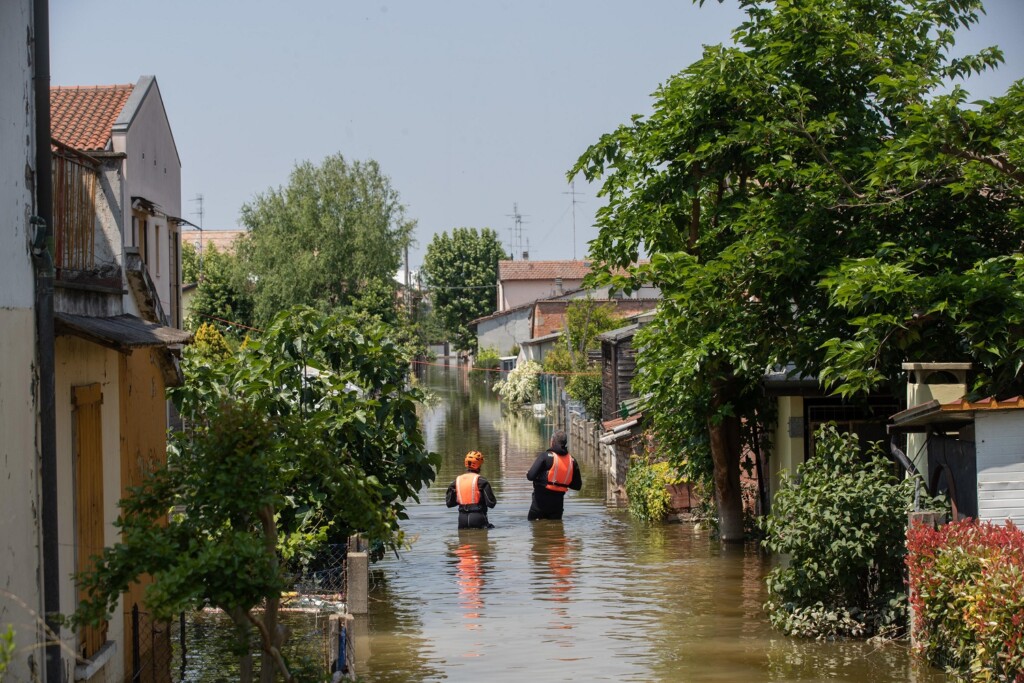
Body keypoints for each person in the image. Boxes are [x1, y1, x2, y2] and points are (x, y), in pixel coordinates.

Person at [526, 430, 582, 521]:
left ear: (552, 442)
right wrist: (562, 481)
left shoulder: (545, 457)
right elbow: (577, 486)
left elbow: (530, 476)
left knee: (535, 528)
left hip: (539, 505)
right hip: (557, 507)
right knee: (556, 533)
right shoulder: (572, 461)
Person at [446, 450, 497, 529]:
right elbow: (491, 503)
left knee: (464, 541)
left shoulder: (456, 482)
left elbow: (449, 503)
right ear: (479, 465)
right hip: (478, 518)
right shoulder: (482, 482)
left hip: (462, 520)